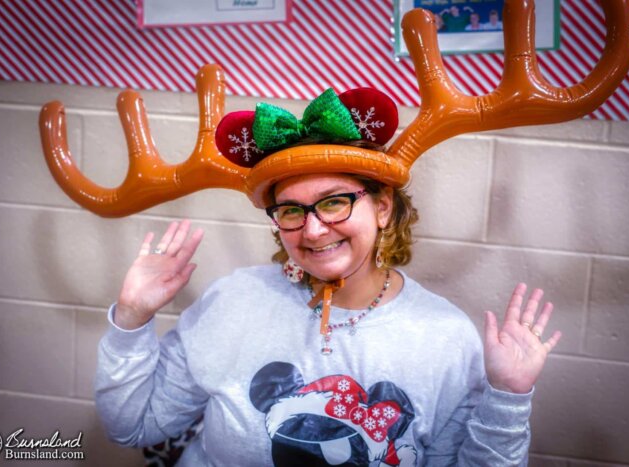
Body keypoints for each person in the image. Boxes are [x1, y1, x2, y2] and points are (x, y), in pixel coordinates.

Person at [94, 89, 562, 465]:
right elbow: (134, 427)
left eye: (335, 201)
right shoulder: (233, 300)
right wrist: (132, 318)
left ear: (381, 207)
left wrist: (508, 397)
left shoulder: (446, 340)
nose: (314, 229)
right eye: (292, 209)